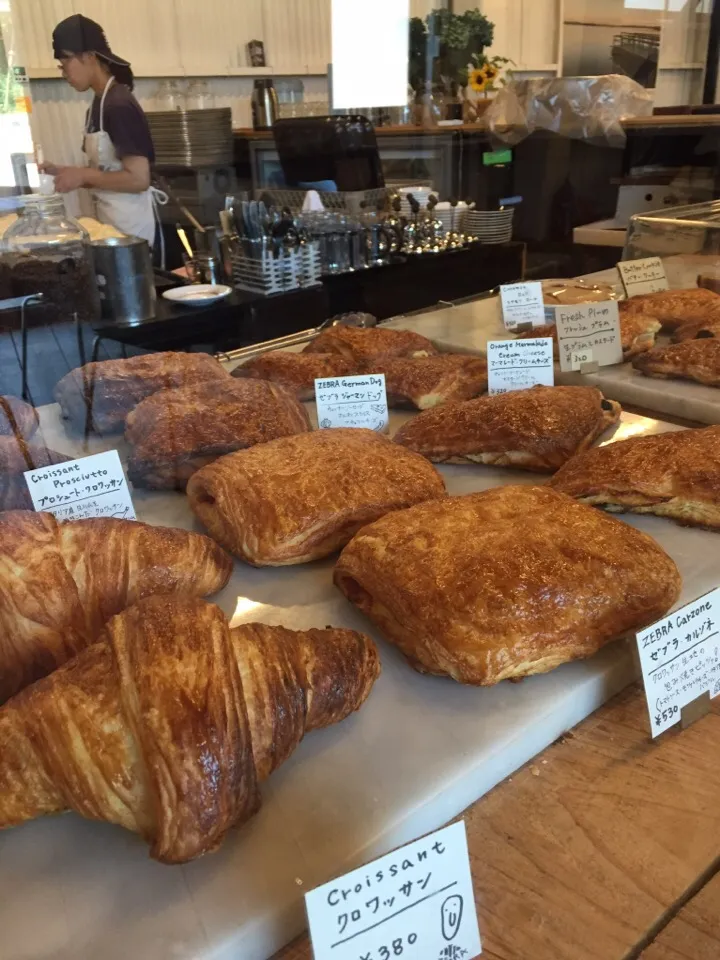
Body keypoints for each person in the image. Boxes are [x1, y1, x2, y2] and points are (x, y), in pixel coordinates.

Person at [43, 14, 158, 246]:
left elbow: (139, 179)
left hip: (132, 230)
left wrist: (82, 175)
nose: (64, 73)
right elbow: (107, 170)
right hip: (111, 226)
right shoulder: (98, 104)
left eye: (66, 63)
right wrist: (64, 171)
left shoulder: (119, 105)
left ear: (90, 57)